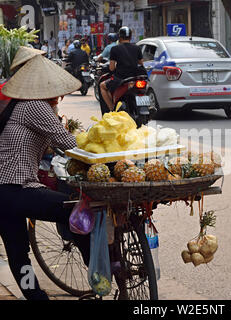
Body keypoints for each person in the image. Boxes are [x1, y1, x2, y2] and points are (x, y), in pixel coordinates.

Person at [0, 53, 90, 300]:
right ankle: (98, 274)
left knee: (18, 254)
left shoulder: (15, 104)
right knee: (75, 214)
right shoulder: (34, 105)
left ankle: (37, 298)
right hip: (16, 188)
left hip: (3, 192)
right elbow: (69, 143)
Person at [100, 26, 144, 112]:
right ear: (131, 37)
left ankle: (112, 109)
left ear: (119, 37)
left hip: (120, 78)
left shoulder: (115, 49)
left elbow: (111, 68)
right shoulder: (137, 48)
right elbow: (141, 63)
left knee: (102, 86)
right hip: (135, 77)